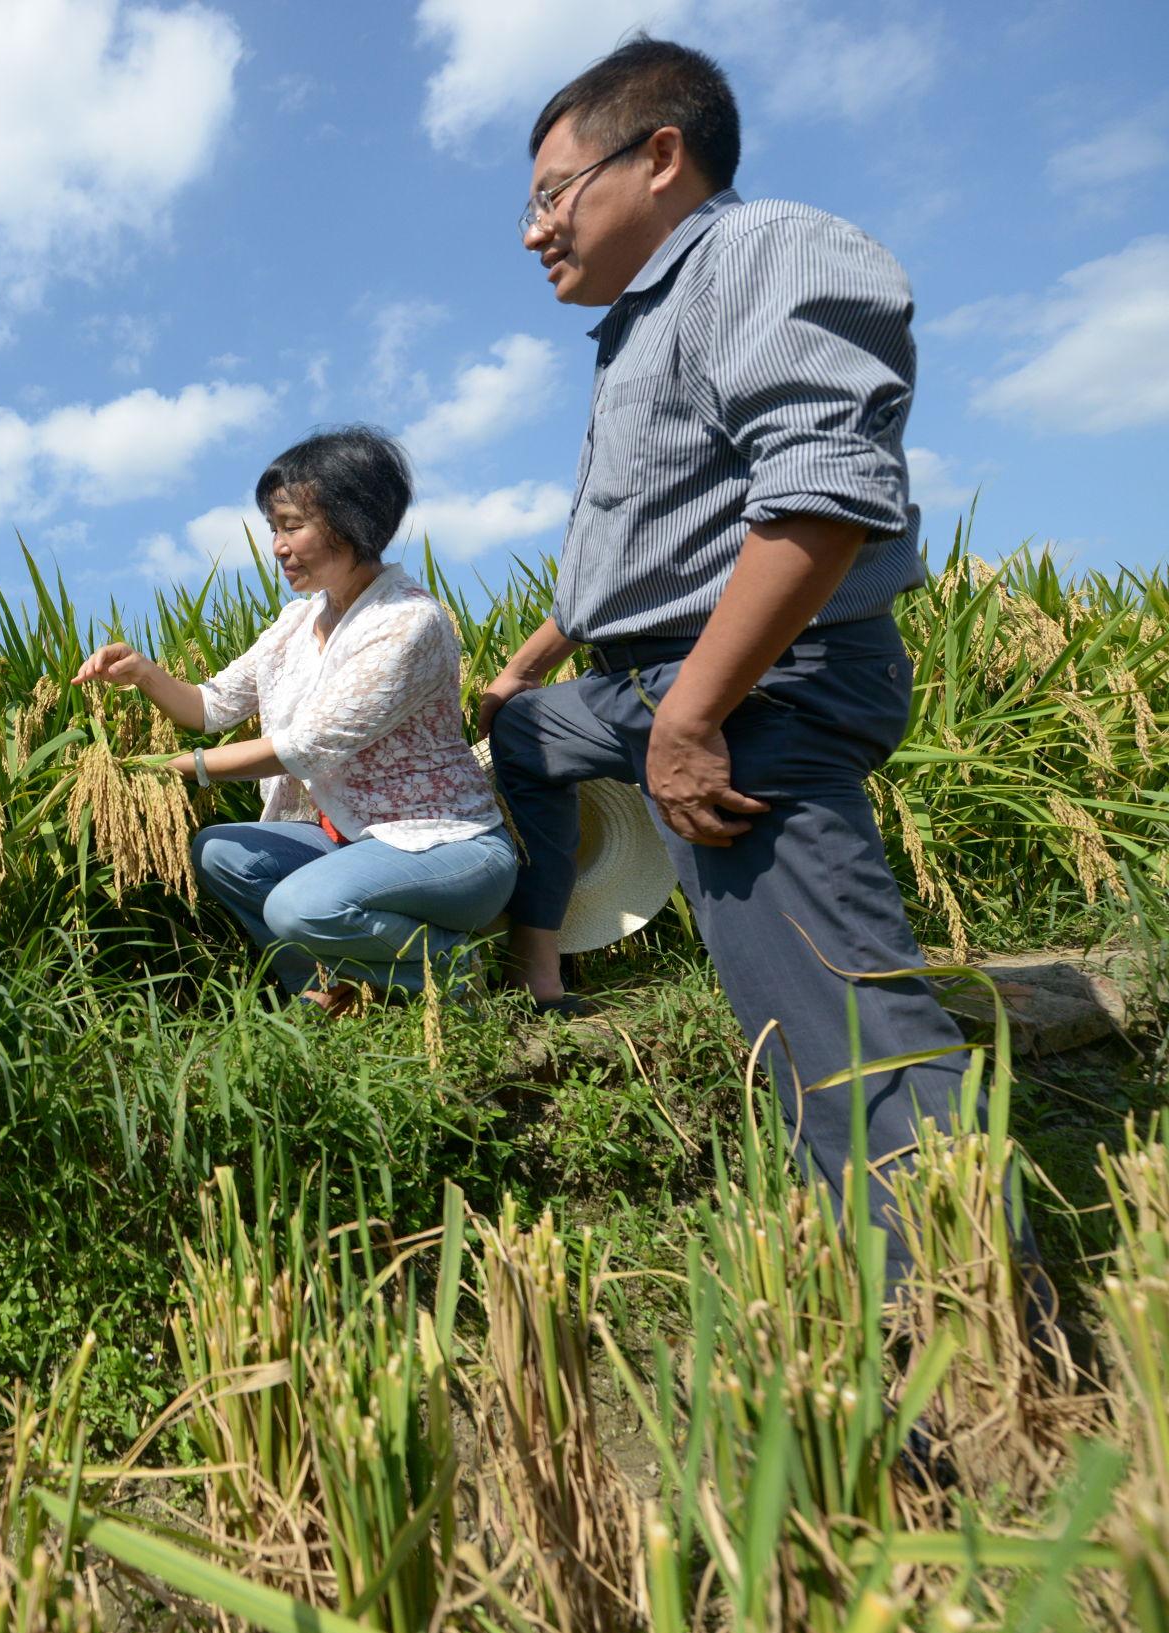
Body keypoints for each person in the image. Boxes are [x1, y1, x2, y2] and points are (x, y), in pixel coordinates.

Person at [481, 38, 966, 1266]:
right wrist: (534, 663)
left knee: (841, 1041)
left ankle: (974, 1362)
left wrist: (693, 722)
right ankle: (547, 964)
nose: (535, 231)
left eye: (550, 193)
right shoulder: (645, 322)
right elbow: (652, 541)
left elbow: (820, 495)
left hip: (750, 691)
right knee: (520, 737)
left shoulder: (763, 251)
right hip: (647, 676)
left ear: (659, 156)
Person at [75, 428, 515, 1005]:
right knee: (221, 851)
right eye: (274, 530)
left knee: (300, 907)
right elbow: (210, 707)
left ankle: (456, 971)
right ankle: (326, 993)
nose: (278, 547)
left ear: (351, 520)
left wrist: (182, 769)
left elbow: (306, 746)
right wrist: (145, 672)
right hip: (349, 843)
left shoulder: (408, 622)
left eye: (292, 526)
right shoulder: (294, 625)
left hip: (442, 848)